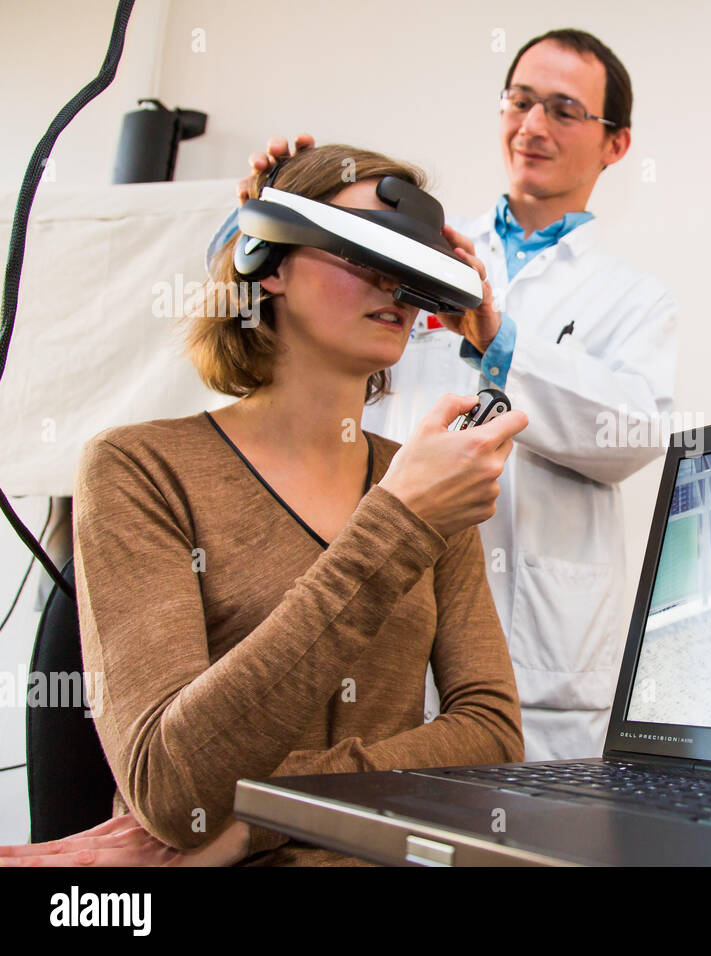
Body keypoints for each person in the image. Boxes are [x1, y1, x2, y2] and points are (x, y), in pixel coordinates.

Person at [0, 144, 529, 867]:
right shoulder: (141, 469)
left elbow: (493, 734)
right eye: (364, 252)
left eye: (412, 267)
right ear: (268, 262)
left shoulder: (424, 478)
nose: (395, 287)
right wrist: (398, 524)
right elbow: (172, 783)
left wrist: (261, 817)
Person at [223, 29, 679, 761]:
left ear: (616, 144)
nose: (532, 127)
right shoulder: (413, 253)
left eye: (564, 110)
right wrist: (273, 221)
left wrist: (496, 339)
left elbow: (631, 440)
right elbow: (293, 353)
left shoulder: (636, 300)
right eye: (521, 102)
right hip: (389, 622)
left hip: (544, 663)